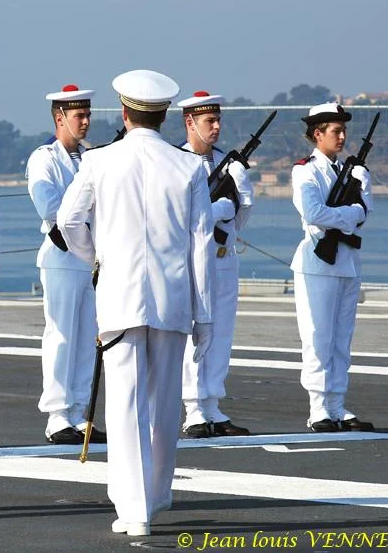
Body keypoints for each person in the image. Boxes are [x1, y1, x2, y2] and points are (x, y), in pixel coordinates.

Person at [58, 69, 214, 537]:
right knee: (164, 405)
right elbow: (201, 245)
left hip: (120, 295)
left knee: (124, 405)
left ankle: (133, 508)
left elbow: (69, 220)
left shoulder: (99, 160)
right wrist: (204, 315)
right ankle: (155, 494)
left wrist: (96, 257)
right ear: (165, 115)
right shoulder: (188, 166)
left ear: (124, 113)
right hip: (172, 298)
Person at [290, 103, 374, 433]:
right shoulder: (305, 171)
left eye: (343, 131)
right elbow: (314, 213)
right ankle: (318, 409)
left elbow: (365, 214)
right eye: (335, 131)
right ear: (317, 134)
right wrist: (349, 215)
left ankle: (337, 404)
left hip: (347, 263)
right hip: (317, 263)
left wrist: (362, 189)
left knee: (341, 340)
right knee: (318, 338)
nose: (342, 137)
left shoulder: (350, 172)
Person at [26, 84, 101, 445]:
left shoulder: (93, 158)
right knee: (61, 336)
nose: (85, 122)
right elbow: (50, 207)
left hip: (91, 257)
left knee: (87, 337)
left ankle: (79, 412)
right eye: (78, 116)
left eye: (87, 115)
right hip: (62, 256)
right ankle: (57, 415)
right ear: (60, 118)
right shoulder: (45, 159)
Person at [177, 91, 253, 438]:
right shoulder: (177, 163)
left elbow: (241, 217)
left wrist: (239, 195)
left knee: (221, 334)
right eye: (210, 121)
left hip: (224, 260)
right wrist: (220, 209)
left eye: (218, 120)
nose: (217, 127)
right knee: (196, 334)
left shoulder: (227, 163)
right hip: (192, 262)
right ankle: (194, 408)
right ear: (190, 123)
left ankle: (212, 405)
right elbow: (184, 216)